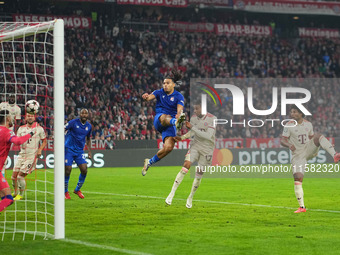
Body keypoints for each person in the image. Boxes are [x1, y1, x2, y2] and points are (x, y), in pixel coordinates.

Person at [281, 105, 340, 213]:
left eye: (294, 112)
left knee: (318, 136)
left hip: (308, 150)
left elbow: (312, 138)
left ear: (301, 114)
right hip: (298, 156)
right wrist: (289, 145)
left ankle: (335, 154)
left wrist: (319, 145)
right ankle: (302, 207)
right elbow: (282, 140)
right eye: (291, 112)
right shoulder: (288, 125)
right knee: (298, 179)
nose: (292, 114)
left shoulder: (308, 124)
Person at [165, 103, 217, 209]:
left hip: (207, 149)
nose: (194, 111)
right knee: (186, 166)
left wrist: (192, 127)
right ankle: (171, 194)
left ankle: (190, 197)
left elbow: (207, 135)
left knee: (199, 174)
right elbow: (193, 132)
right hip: (195, 146)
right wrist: (182, 138)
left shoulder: (212, 119)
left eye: (196, 109)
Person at [141, 70, 186, 176]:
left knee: (169, 147)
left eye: (168, 83)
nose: (165, 85)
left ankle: (149, 162)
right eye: (164, 83)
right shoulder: (158, 92)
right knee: (165, 117)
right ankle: (176, 122)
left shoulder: (179, 96)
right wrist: (145, 97)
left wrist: (179, 115)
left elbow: (180, 109)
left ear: (173, 84)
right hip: (160, 119)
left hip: (169, 124)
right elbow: (148, 98)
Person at [0, 110, 33, 213]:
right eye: (11, 117)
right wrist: (30, 134)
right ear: (8, 119)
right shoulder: (7, 132)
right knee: (8, 199)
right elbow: (18, 141)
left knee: (3, 197)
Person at [11, 112, 47, 200]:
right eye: (28, 116)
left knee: (20, 176)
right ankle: (15, 193)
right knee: (13, 177)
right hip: (22, 154)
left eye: (31, 116)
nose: (30, 118)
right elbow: (17, 140)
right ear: (25, 118)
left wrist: (40, 150)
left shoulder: (39, 129)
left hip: (32, 156)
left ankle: (21, 195)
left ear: (34, 117)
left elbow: (44, 141)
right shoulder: (21, 129)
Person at [64, 109, 92, 199]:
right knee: (68, 169)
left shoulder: (89, 126)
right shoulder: (73, 122)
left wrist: (89, 151)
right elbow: (63, 128)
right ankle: (65, 192)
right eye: (82, 113)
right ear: (79, 114)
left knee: (84, 169)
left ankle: (77, 190)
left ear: (88, 115)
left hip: (79, 151)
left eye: (86, 113)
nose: (84, 115)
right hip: (69, 149)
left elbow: (88, 139)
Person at [0, 94, 21, 175]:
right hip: (1, 129)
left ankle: (2, 174)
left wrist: (15, 132)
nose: (12, 98)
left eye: (13, 97)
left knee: (4, 152)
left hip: (8, 132)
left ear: (15, 98)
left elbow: (18, 121)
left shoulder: (17, 109)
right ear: (8, 97)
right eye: (11, 97)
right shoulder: (2, 105)